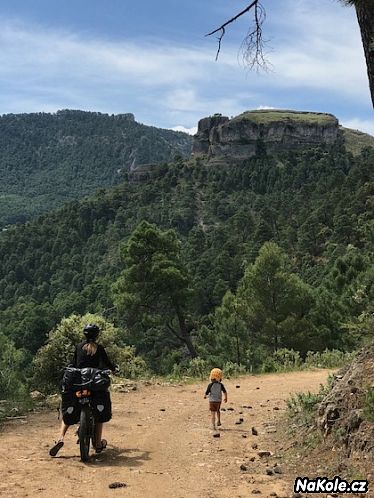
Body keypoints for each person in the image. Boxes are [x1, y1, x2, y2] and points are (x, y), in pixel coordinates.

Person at [49, 323, 117, 457]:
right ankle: (97, 443)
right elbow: (108, 364)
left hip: (79, 383)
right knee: (99, 412)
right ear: (97, 335)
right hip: (94, 384)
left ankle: (60, 438)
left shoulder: (78, 347)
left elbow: (74, 364)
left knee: (69, 409)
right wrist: (114, 369)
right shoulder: (100, 348)